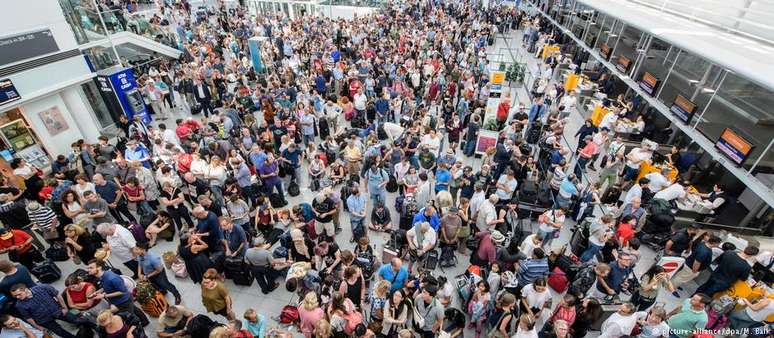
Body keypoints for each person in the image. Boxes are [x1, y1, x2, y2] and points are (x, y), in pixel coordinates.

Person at [11, 283, 92, 338]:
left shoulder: (42, 287)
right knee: (60, 332)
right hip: (44, 320)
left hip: (58, 311)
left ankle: (94, 326)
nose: (17, 297)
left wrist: (64, 307)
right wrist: (39, 327)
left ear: (25, 289)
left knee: (76, 320)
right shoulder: (19, 305)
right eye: (15, 296)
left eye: (19, 294)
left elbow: (57, 294)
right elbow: (28, 317)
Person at [87, 259, 149, 327]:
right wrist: (96, 292)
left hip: (124, 301)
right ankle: (145, 321)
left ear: (99, 268)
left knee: (130, 318)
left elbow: (123, 291)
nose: (88, 270)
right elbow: (106, 287)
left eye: (91, 268)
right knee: (134, 309)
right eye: (88, 268)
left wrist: (104, 296)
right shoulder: (101, 277)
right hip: (118, 301)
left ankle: (138, 328)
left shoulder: (112, 278)